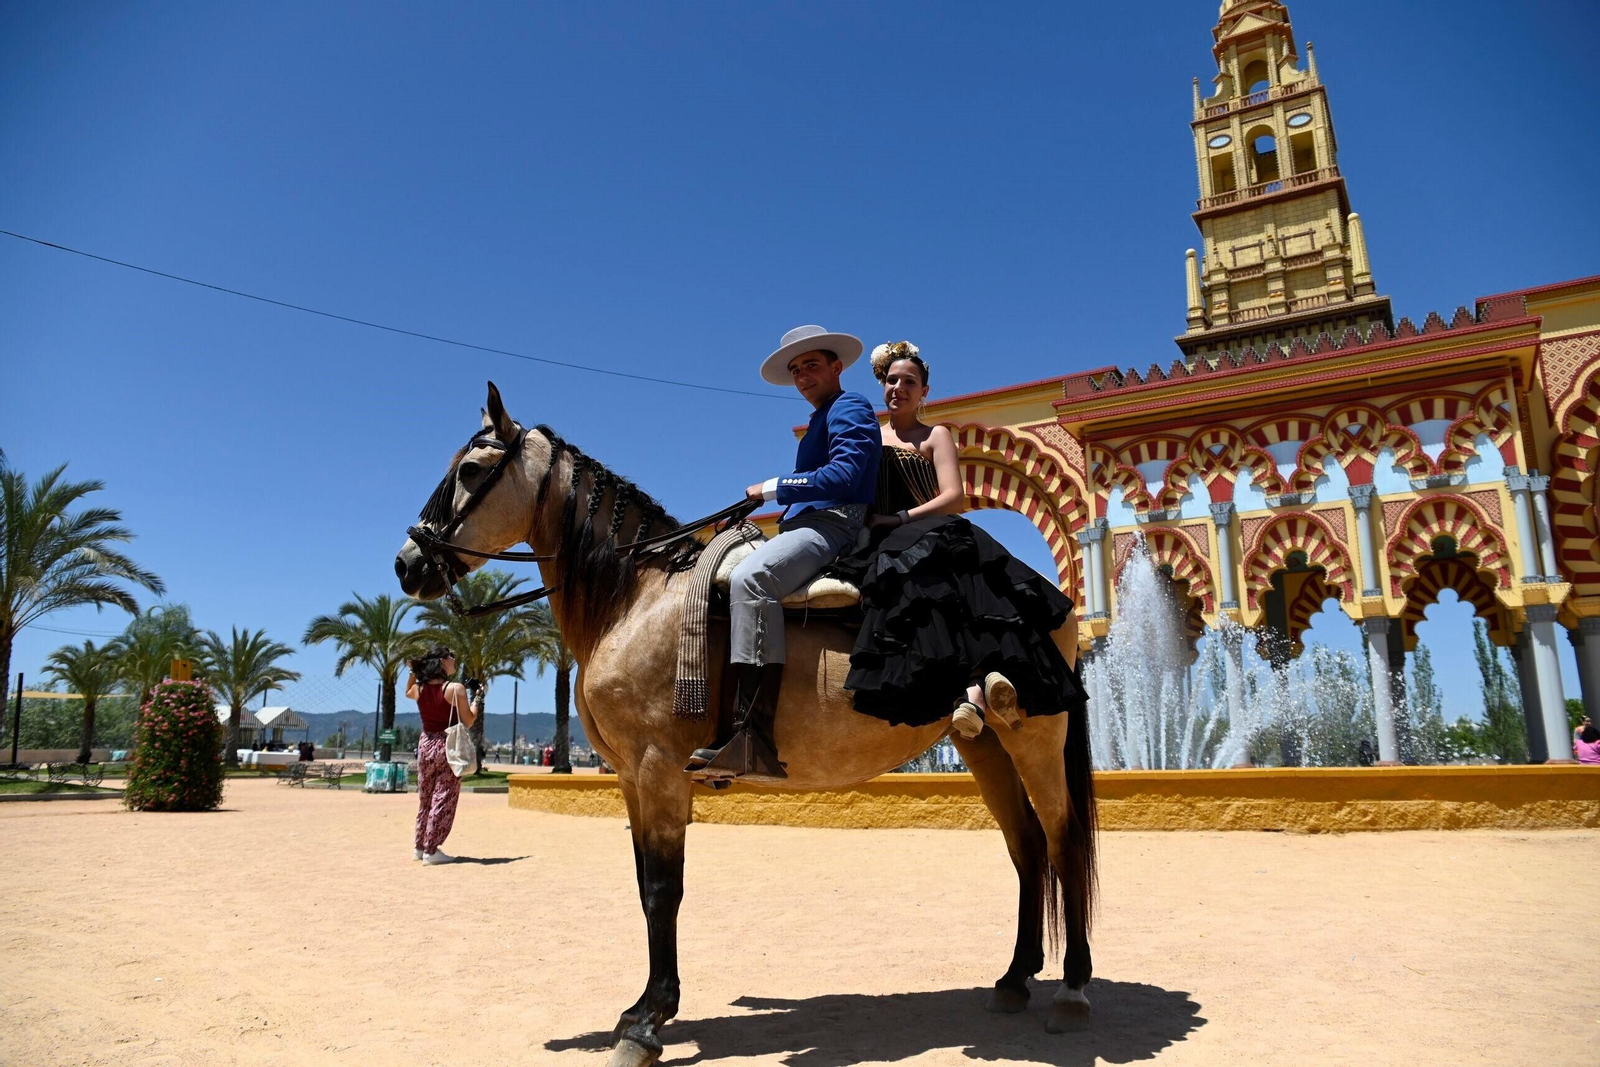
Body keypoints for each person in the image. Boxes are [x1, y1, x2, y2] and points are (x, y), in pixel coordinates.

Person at [831, 341, 1088, 733]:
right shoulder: (869, 437)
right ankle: (967, 689)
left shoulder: (935, 435)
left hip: (925, 529)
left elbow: (954, 496)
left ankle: (983, 680)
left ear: (924, 392)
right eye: (891, 379)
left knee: (954, 590)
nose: (898, 387)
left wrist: (897, 519)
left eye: (909, 382)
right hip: (878, 540)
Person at [686, 324, 883, 782]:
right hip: (806, 525)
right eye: (795, 369)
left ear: (836, 367)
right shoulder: (818, 420)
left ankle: (753, 738)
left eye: (811, 364)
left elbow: (845, 476)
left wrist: (773, 488)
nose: (801, 375)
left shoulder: (849, 405)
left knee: (751, 579)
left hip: (832, 526)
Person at [405, 644, 476, 865]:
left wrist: (414, 671)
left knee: (426, 797)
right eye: (451, 656)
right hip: (447, 745)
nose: (454, 659)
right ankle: (432, 850)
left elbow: (408, 691)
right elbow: (469, 720)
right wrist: (479, 700)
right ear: (442, 662)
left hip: (426, 743)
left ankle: (420, 846)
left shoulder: (420, 689)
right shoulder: (455, 689)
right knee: (443, 796)